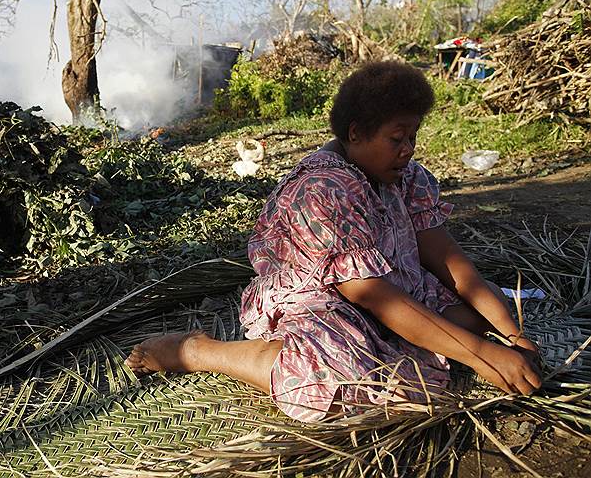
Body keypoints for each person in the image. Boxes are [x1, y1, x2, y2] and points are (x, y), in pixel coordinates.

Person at [126, 62, 542, 422]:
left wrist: (511, 334)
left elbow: (448, 259)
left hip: (396, 283)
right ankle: (195, 351)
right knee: (342, 381)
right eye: (397, 139)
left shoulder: (407, 177)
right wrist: (480, 355)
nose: (408, 150)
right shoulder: (323, 190)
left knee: (474, 319)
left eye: (413, 138)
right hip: (321, 300)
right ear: (357, 133)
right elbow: (370, 294)